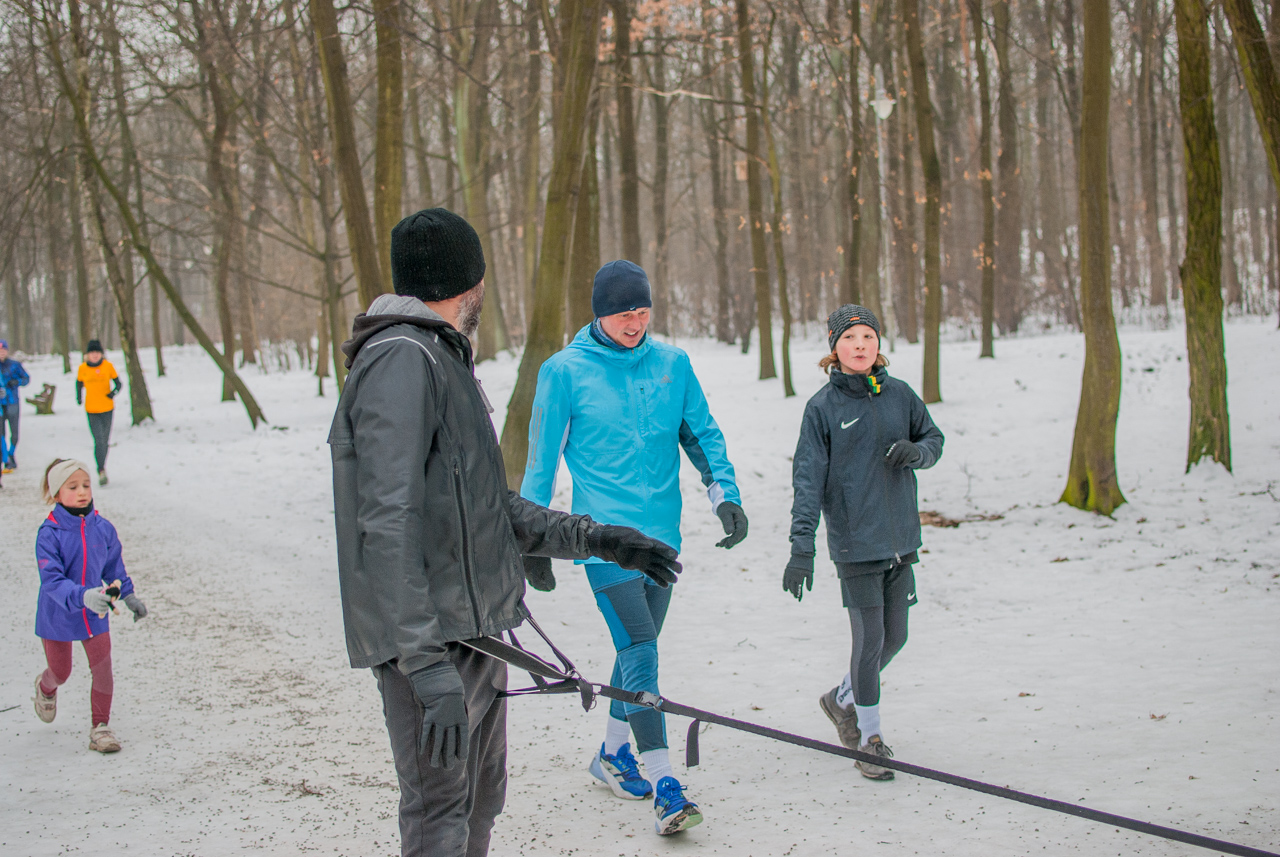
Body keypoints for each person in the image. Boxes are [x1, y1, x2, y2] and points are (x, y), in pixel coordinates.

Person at [329, 208, 681, 857]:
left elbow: (488, 508)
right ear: (470, 282)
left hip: (477, 633)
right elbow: (386, 519)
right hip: (433, 645)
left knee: (480, 804)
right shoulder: (400, 361)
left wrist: (601, 538)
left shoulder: (438, 357)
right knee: (442, 815)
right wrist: (424, 661)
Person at [521, 259, 747, 835]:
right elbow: (542, 462)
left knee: (633, 653)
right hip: (604, 543)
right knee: (642, 645)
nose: (635, 322)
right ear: (600, 311)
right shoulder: (563, 372)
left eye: (643, 311)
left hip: (661, 540)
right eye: (624, 312)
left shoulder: (673, 364)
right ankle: (666, 783)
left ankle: (613, 754)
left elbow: (702, 435)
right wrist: (534, 542)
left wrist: (725, 495)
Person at [785, 305, 944, 780]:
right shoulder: (822, 409)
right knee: (869, 641)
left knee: (896, 638)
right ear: (834, 347)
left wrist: (918, 453)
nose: (860, 345)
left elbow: (933, 438)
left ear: (879, 344)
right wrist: (801, 548)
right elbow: (807, 482)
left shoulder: (900, 394)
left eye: (868, 337)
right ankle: (868, 739)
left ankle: (840, 699)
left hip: (900, 541)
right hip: (856, 546)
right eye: (850, 337)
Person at [32, 458, 148, 753]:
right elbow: (52, 580)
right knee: (61, 672)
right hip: (58, 613)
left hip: (94, 613)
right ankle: (46, 687)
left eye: (86, 485)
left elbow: (114, 569)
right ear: (57, 493)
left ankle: (101, 728)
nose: (82, 491)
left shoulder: (103, 528)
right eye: (73, 486)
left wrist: (129, 596)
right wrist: (83, 596)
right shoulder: (49, 534)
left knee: (103, 668)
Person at [75, 340, 121, 485]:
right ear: (87, 355)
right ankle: (101, 469)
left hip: (107, 408)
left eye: (97, 353)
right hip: (91, 409)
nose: (94, 355)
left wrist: (113, 393)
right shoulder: (82, 368)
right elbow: (79, 383)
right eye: (92, 353)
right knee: (98, 440)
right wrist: (79, 397)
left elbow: (119, 384)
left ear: (101, 354)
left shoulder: (108, 366)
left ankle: (102, 466)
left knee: (105, 441)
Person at [0, 339, 30, 473]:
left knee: (15, 434)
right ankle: (6, 459)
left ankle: (11, 453)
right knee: (1, 433)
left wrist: (15, 382)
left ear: (7, 351)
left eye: (3, 350)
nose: (1, 353)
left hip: (13, 403)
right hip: (1, 406)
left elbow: (26, 378)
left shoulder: (14, 365)